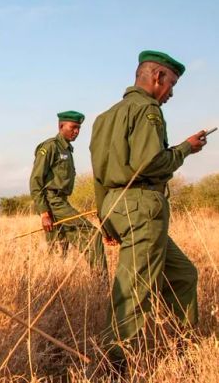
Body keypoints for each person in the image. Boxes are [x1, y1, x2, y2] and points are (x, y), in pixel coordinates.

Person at [90, 50, 207, 373]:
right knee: (134, 291)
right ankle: (116, 367)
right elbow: (150, 163)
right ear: (157, 77)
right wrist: (186, 149)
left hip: (116, 206)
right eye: (170, 83)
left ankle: (183, 348)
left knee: (183, 274)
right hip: (142, 208)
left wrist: (106, 218)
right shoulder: (148, 110)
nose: (170, 92)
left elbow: (99, 174)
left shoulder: (106, 116)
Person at [29, 111, 107, 272]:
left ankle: (54, 282)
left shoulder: (67, 149)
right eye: (73, 127)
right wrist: (44, 213)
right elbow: (35, 181)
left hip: (62, 201)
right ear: (61, 126)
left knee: (59, 246)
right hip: (53, 201)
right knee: (93, 235)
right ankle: (102, 282)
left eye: (78, 128)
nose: (76, 131)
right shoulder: (50, 147)